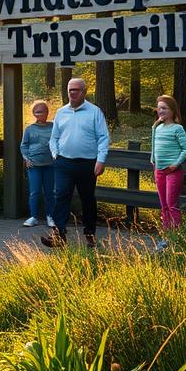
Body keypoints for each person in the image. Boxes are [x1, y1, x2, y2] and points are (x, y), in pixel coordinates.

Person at [41, 78, 110, 249]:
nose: (72, 93)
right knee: (61, 196)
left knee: (87, 199)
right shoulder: (61, 112)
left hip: (88, 163)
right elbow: (54, 138)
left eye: (76, 90)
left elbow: (103, 137)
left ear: (84, 92)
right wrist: (56, 155)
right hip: (64, 163)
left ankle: (90, 235)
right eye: (70, 89)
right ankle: (59, 235)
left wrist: (101, 160)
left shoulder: (94, 112)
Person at [150, 95, 186, 232]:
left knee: (171, 204)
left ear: (172, 110)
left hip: (173, 171)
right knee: (163, 205)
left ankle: (177, 235)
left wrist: (175, 164)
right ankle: (166, 234)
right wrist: (154, 162)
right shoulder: (157, 127)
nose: (161, 110)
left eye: (164, 108)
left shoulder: (177, 128)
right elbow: (153, 147)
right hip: (159, 171)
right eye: (159, 108)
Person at [20, 100, 56, 228]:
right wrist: (26, 159)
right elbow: (23, 146)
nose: (40, 114)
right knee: (34, 192)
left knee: (50, 192)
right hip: (34, 165)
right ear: (33, 114)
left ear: (47, 112)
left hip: (50, 165)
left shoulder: (53, 126)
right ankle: (33, 217)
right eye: (37, 112)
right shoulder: (29, 129)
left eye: (43, 111)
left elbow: (58, 142)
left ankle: (50, 216)